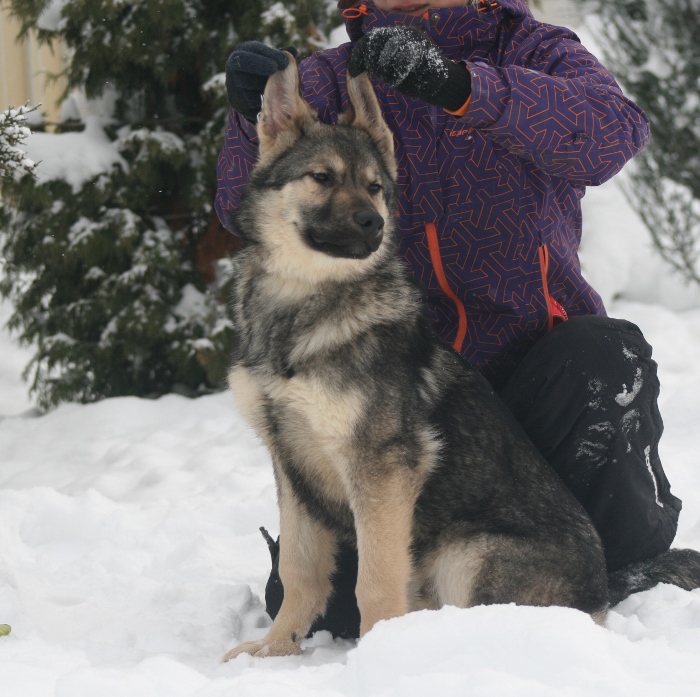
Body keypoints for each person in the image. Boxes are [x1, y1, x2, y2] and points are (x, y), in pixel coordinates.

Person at [215, 0, 682, 638]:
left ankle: (621, 561)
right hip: (407, 389)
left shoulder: (532, 50)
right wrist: (250, 123)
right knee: (343, 618)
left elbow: (611, 134)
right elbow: (247, 203)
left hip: (537, 378)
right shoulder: (334, 78)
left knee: (603, 356)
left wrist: (462, 86)